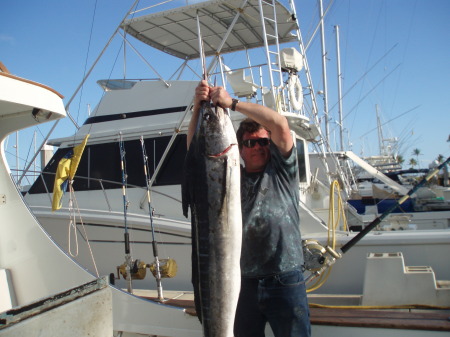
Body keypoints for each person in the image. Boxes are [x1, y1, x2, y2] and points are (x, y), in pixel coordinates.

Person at [189, 80, 311, 337]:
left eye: (263, 142)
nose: (257, 147)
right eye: (250, 143)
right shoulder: (228, 176)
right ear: (239, 148)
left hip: (285, 278)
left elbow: (280, 125)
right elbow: (196, 152)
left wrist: (231, 103)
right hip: (242, 283)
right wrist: (197, 110)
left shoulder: (282, 172)